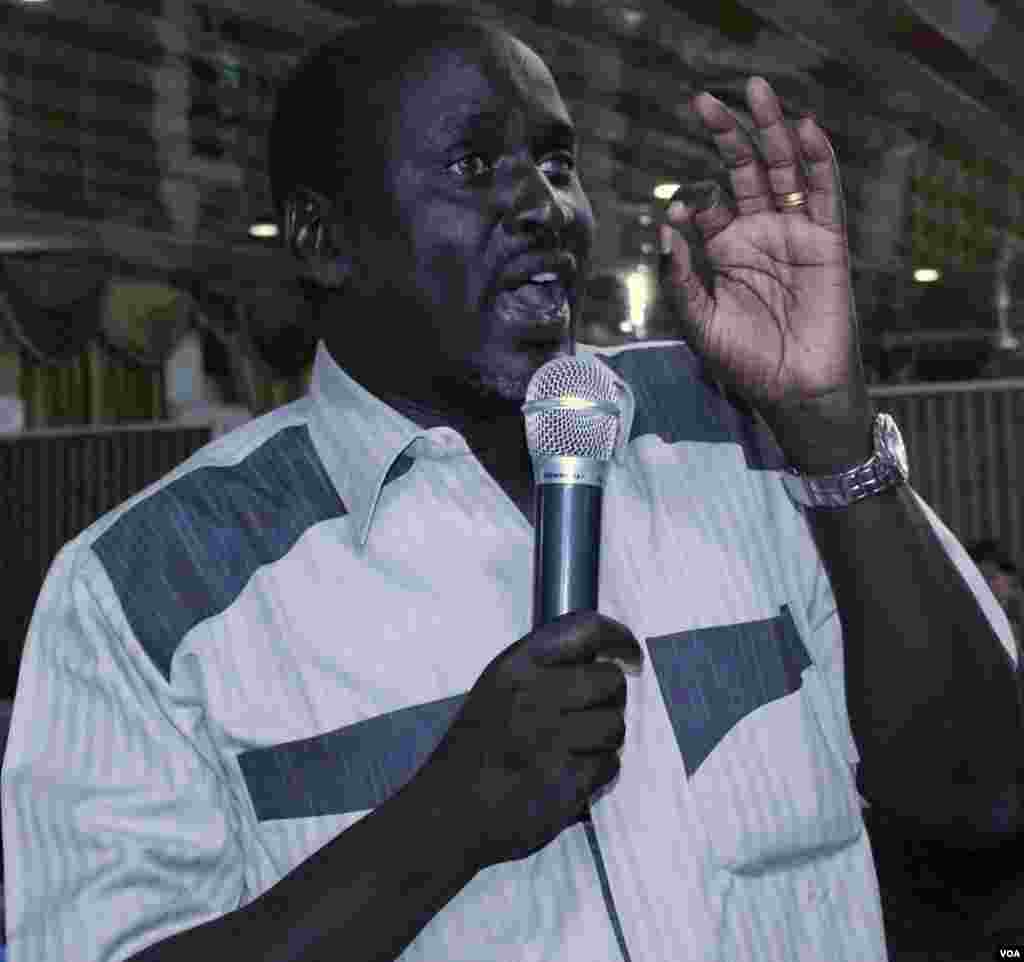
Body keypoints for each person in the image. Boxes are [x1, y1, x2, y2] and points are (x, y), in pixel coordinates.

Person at [3, 6, 1022, 961]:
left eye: (555, 160)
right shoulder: (139, 591)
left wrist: (832, 430)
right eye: (475, 162)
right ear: (326, 239)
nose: (545, 205)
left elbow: (986, 802)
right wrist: (440, 823)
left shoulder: (742, 430)